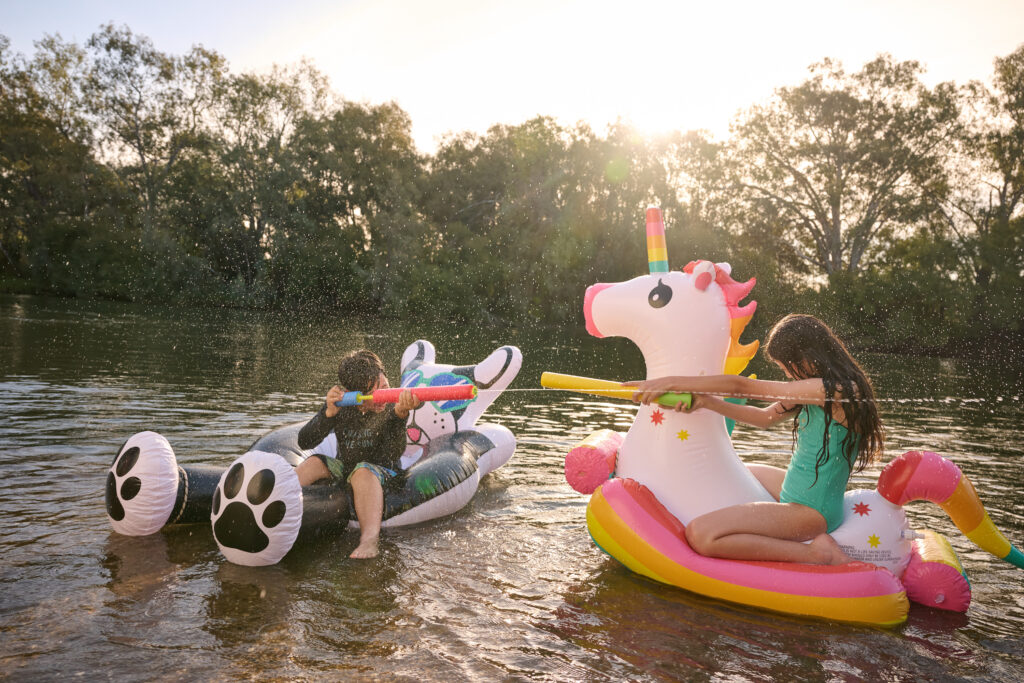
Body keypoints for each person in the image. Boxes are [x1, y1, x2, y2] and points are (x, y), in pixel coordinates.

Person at [626, 314, 885, 566]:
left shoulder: (838, 390)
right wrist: (707, 402)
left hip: (813, 511)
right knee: (733, 472)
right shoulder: (815, 388)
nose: (785, 371)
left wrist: (671, 382)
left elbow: (743, 388)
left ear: (808, 354)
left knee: (702, 534)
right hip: (796, 489)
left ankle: (817, 554)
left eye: (786, 363)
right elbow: (764, 418)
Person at [295, 349, 422, 559]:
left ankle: (369, 541)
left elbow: (395, 451)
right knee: (316, 462)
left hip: (382, 472)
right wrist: (327, 414)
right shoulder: (343, 407)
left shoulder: (392, 406)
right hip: (346, 469)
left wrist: (400, 416)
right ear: (355, 395)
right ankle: (276, 499)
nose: (382, 397)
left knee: (362, 470)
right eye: (373, 394)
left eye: (385, 387)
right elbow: (304, 441)